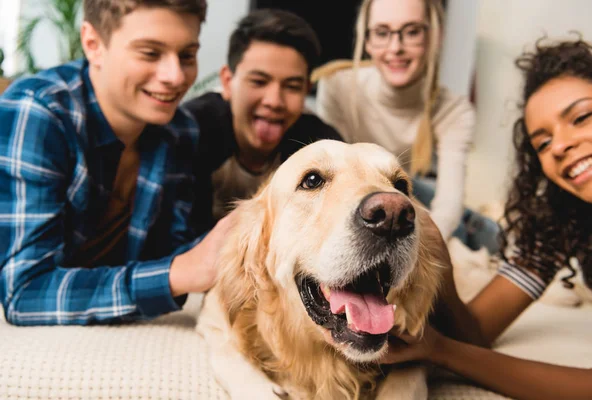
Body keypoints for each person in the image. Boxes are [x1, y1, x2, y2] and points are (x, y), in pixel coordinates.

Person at [382, 38, 592, 400]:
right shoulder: (568, 220)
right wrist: (440, 262)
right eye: (542, 143)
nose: (560, 146)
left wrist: (439, 350)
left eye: (581, 117)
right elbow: (476, 333)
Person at [0, 0, 232, 326]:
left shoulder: (179, 129)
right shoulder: (38, 112)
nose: (176, 76)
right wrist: (177, 273)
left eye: (187, 55)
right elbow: (24, 292)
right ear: (93, 44)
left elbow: (172, 251)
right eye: (150, 53)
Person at [314, 0, 499, 253]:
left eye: (411, 32)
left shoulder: (455, 110)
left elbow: (447, 206)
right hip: (361, 191)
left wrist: (415, 252)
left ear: (435, 37)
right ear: (366, 40)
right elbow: (334, 178)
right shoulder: (336, 86)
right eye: (381, 33)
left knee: (471, 229)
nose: (395, 47)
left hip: (405, 188)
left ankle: (474, 226)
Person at [183, 9, 343, 230]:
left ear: (306, 91)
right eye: (258, 82)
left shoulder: (321, 148)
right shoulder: (190, 132)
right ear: (228, 82)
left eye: (292, 87)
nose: (274, 101)